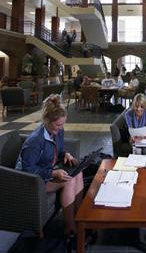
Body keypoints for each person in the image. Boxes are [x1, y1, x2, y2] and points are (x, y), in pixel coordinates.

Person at [15, 94, 84, 238]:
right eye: (58, 125)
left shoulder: (57, 131)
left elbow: (57, 150)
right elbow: (28, 171)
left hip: (45, 171)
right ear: (47, 120)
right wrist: (53, 174)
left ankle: (79, 218)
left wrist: (66, 154)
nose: (61, 128)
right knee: (69, 180)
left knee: (78, 173)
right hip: (29, 182)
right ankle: (70, 228)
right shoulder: (34, 141)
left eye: (62, 124)